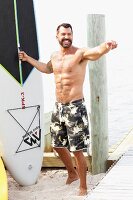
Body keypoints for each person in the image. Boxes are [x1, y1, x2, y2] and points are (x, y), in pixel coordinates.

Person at [18, 23, 117, 196]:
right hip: (59, 107)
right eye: (63, 34)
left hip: (75, 108)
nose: (66, 37)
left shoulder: (80, 54)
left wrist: (106, 46)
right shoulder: (55, 57)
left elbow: (95, 52)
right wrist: (28, 59)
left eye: (69, 34)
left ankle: (83, 187)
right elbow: (47, 69)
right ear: (57, 36)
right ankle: (72, 173)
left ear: (72, 35)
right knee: (57, 145)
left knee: (77, 150)